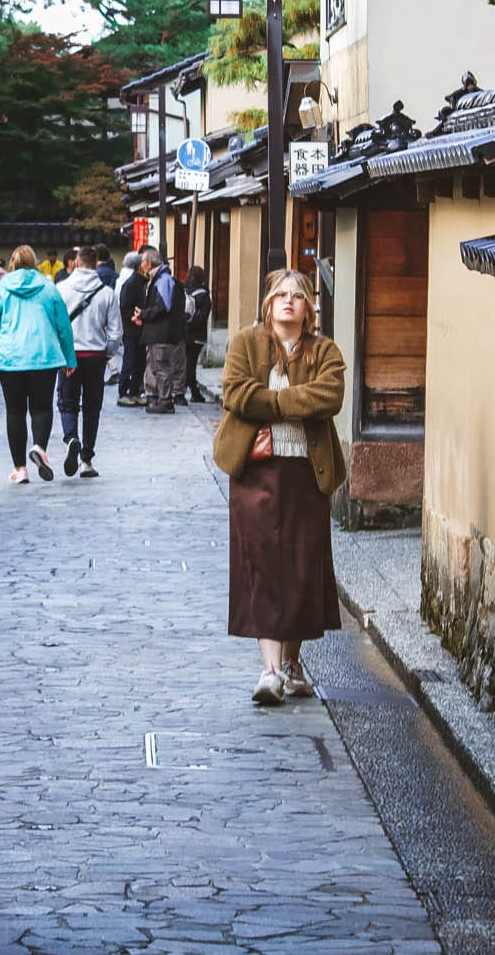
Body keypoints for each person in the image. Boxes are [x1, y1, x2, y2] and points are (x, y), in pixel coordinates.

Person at [212, 269, 346, 706]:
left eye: (298, 295)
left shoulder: (324, 351)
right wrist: (294, 402)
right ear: (268, 304)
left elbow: (330, 396)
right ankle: (270, 671)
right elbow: (236, 393)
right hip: (255, 471)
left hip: (307, 472)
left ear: (309, 307)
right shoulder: (244, 344)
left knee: (302, 569)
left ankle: (291, 663)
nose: (289, 301)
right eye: (281, 295)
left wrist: (270, 402)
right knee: (262, 565)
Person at [0, 244, 76, 485]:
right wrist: (69, 357)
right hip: (44, 355)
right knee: (42, 407)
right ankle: (39, 447)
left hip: (9, 357)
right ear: (34, 262)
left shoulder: (0, 288)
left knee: (15, 411)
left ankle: (20, 469)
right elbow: (63, 326)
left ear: (12, 263)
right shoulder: (48, 288)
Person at [55, 246, 122, 478]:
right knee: (92, 408)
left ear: (75, 262)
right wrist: (107, 353)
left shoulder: (61, 289)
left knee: (67, 403)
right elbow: (116, 333)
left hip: (69, 355)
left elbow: (54, 325)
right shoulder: (107, 293)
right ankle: (86, 460)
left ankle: (71, 438)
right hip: (96, 356)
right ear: (96, 264)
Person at [136, 246, 186, 414]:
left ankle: (165, 400)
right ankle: (163, 399)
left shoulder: (163, 280)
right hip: (159, 332)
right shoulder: (158, 278)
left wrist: (144, 314)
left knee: (161, 367)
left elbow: (163, 307)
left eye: (143, 261)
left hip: (162, 333)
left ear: (149, 263)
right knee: (159, 367)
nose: (141, 265)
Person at [115, 252, 147, 407]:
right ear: (139, 266)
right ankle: (123, 393)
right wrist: (134, 318)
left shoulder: (142, 282)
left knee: (140, 363)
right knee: (129, 361)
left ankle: (134, 392)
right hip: (131, 330)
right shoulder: (131, 283)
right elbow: (124, 307)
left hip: (141, 330)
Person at [183, 265, 212, 404]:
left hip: (183, 333)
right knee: (191, 364)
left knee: (184, 363)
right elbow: (203, 317)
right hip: (197, 335)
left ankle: (183, 391)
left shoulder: (183, 291)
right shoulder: (204, 295)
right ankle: (194, 392)